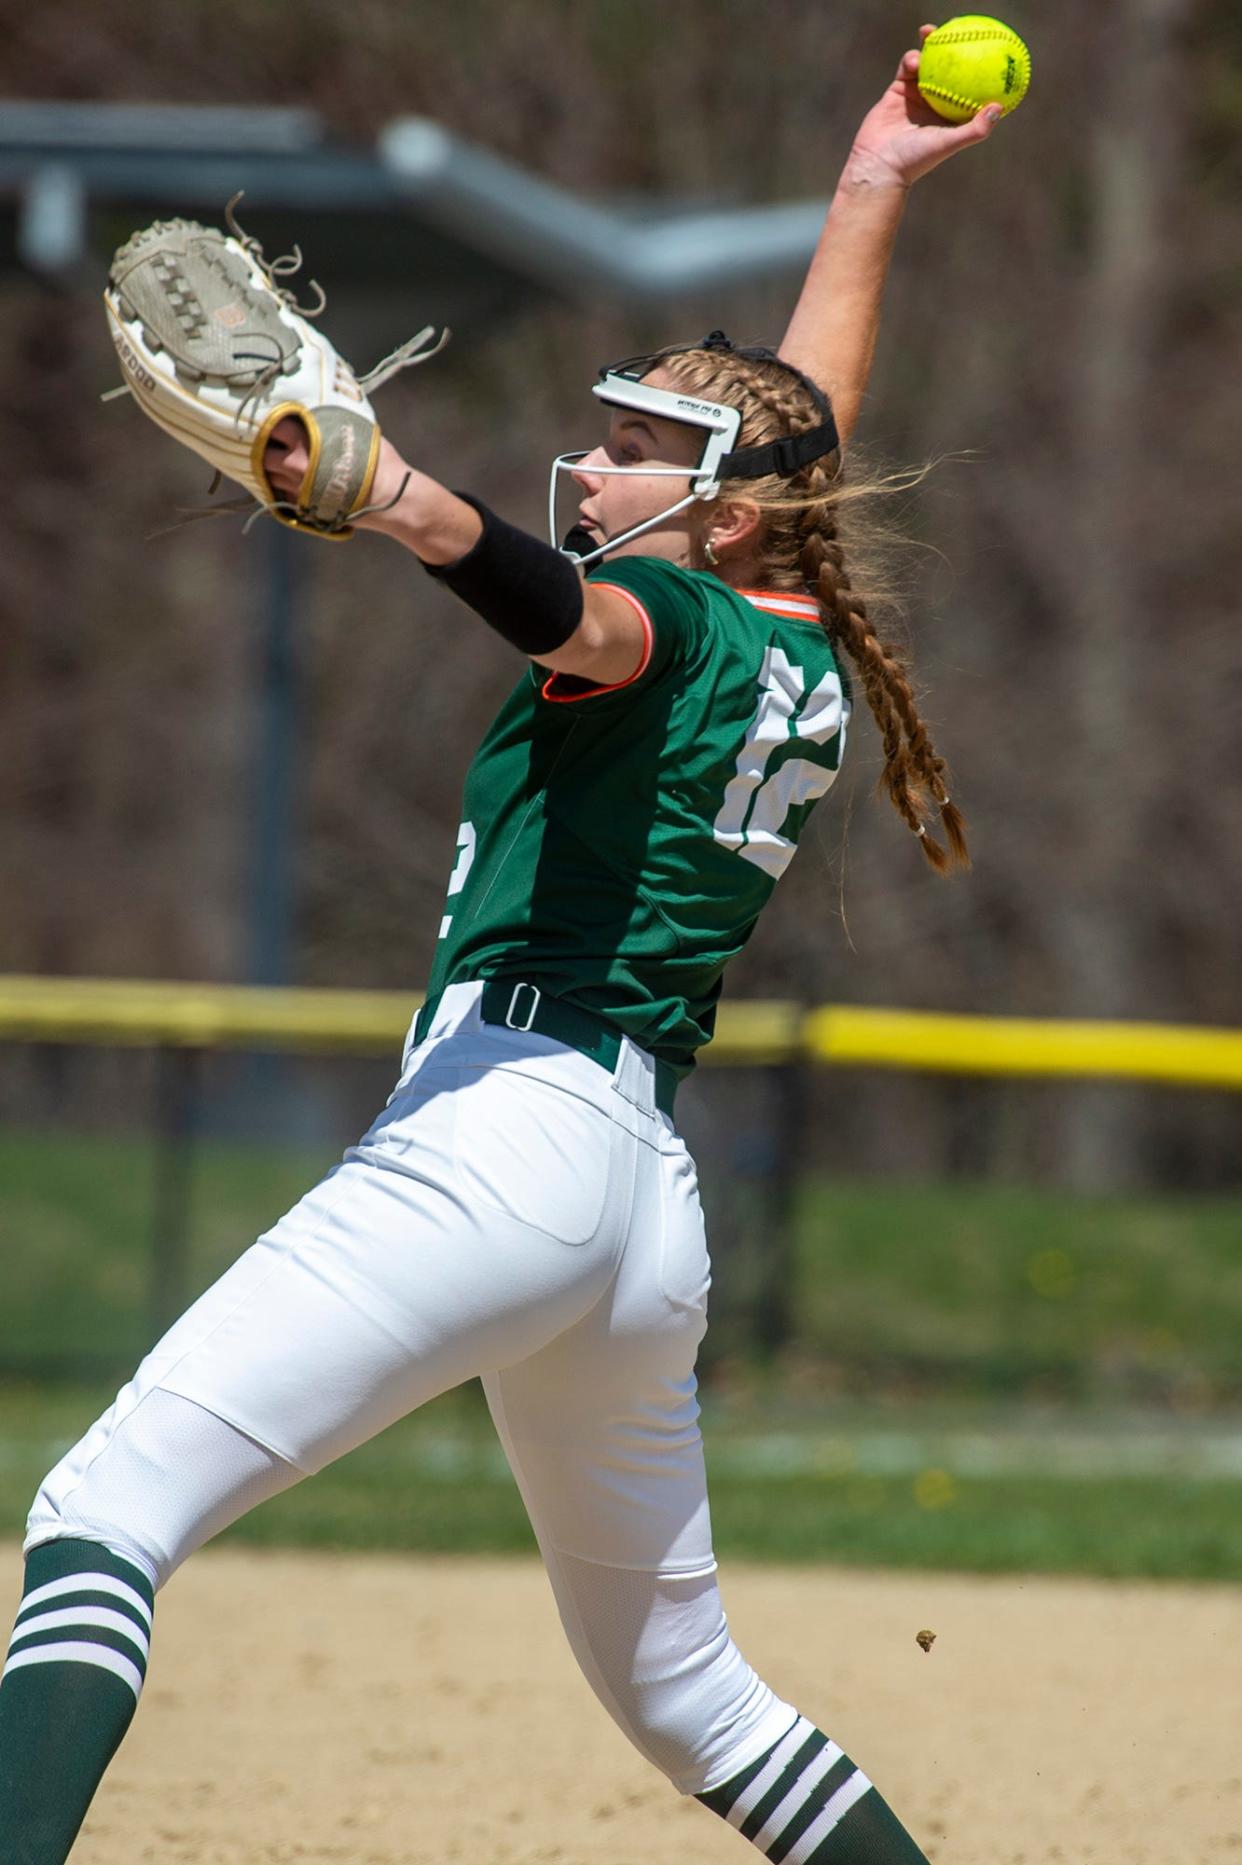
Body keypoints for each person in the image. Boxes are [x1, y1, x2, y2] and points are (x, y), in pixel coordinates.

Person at [0, 32, 1000, 1864]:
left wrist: (395, 497)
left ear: (724, 504)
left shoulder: (673, 619)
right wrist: (870, 188)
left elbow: (576, 615)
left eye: (640, 446)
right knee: (693, 1696)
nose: (599, 459)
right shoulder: (801, 639)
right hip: (636, 1212)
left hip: (505, 1137)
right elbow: (797, 431)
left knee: (100, 1503)